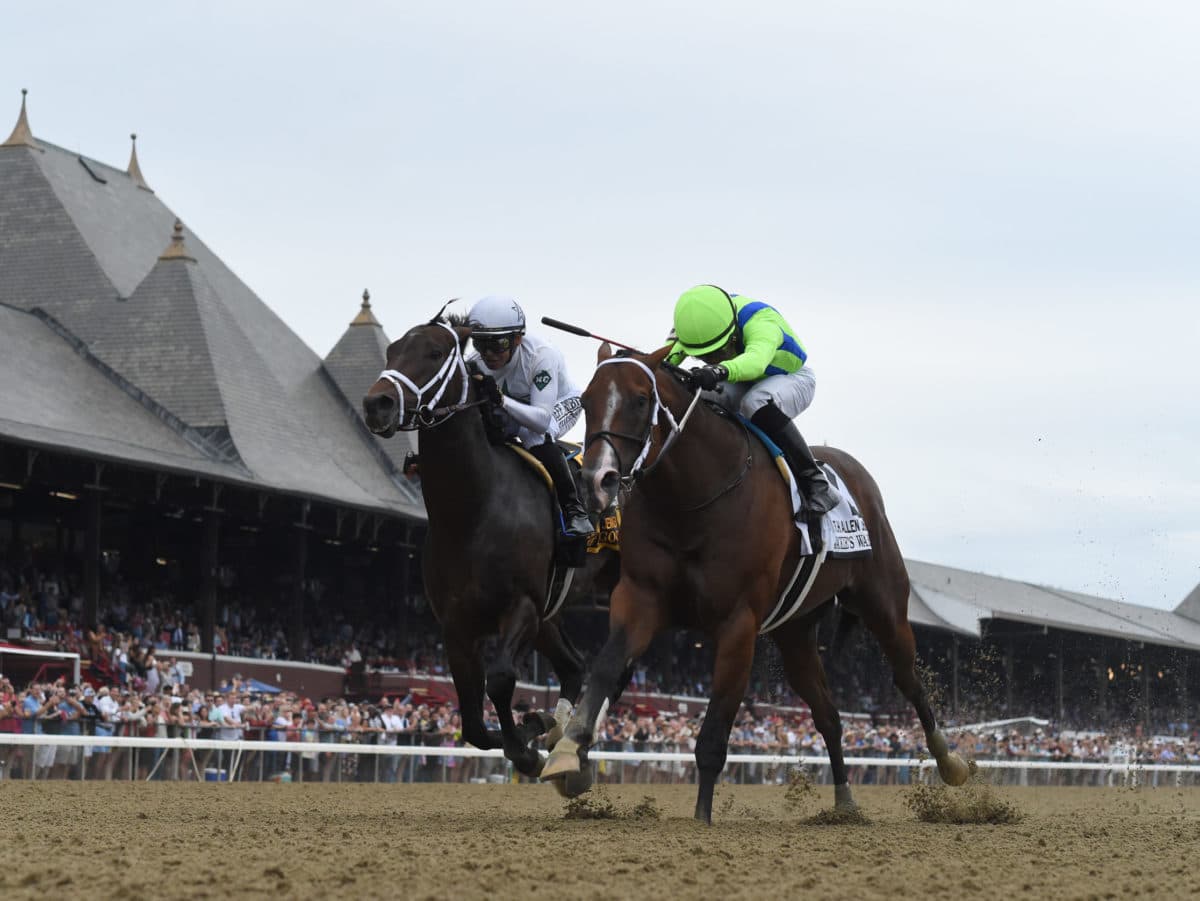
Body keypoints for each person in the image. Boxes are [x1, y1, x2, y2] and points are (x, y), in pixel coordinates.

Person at [667, 284, 840, 517]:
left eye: (717, 351)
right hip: (745, 380)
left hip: (791, 377)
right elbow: (667, 360)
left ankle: (816, 482)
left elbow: (756, 362)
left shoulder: (760, 321)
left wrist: (718, 370)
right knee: (699, 394)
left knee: (754, 402)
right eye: (704, 355)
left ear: (733, 333)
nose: (711, 358)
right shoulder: (698, 325)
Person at [465, 295, 593, 538]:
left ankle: (575, 510)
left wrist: (501, 399)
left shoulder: (542, 356)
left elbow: (541, 420)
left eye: (498, 344)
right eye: (481, 344)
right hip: (519, 406)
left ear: (517, 339)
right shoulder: (475, 363)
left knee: (533, 433)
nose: (489, 354)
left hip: (558, 404)